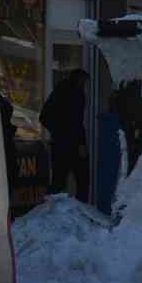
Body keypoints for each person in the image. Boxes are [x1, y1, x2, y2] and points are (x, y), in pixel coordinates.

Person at [39, 69, 89, 204]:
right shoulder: (75, 94)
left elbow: (44, 117)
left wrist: (58, 132)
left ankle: (52, 210)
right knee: (81, 179)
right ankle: (78, 211)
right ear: (78, 80)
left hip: (61, 143)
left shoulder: (60, 92)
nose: (84, 84)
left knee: (59, 180)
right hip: (70, 144)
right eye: (83, 81)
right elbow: (76, 123)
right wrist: (80, 143)